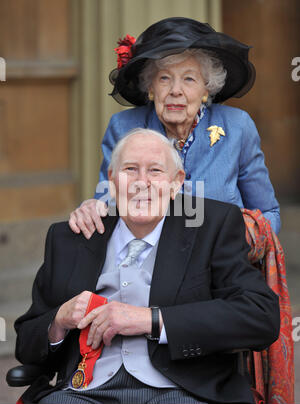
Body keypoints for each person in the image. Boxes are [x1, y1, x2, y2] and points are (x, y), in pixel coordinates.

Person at [14, 129, 280, 404]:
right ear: (112, 180)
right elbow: (26, 343)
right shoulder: (71, 237)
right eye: (130, 169)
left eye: (154, 171)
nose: (142, 183)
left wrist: (149, 320)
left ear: (176, 183)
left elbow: (260, 316)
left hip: (182, 393)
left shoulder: (211, 226)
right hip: (84, 393)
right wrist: (58, 320)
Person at [69, 17, 280, 240]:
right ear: (150, 87)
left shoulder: (237, 127)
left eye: (189, 79)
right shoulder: (123, 128)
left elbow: (269, 214)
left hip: (221, 265)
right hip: (151, 266)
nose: (175, 90)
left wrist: (237, 244)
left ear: (206, 89)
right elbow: (107, 205)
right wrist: (92, 208)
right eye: (164, 78)